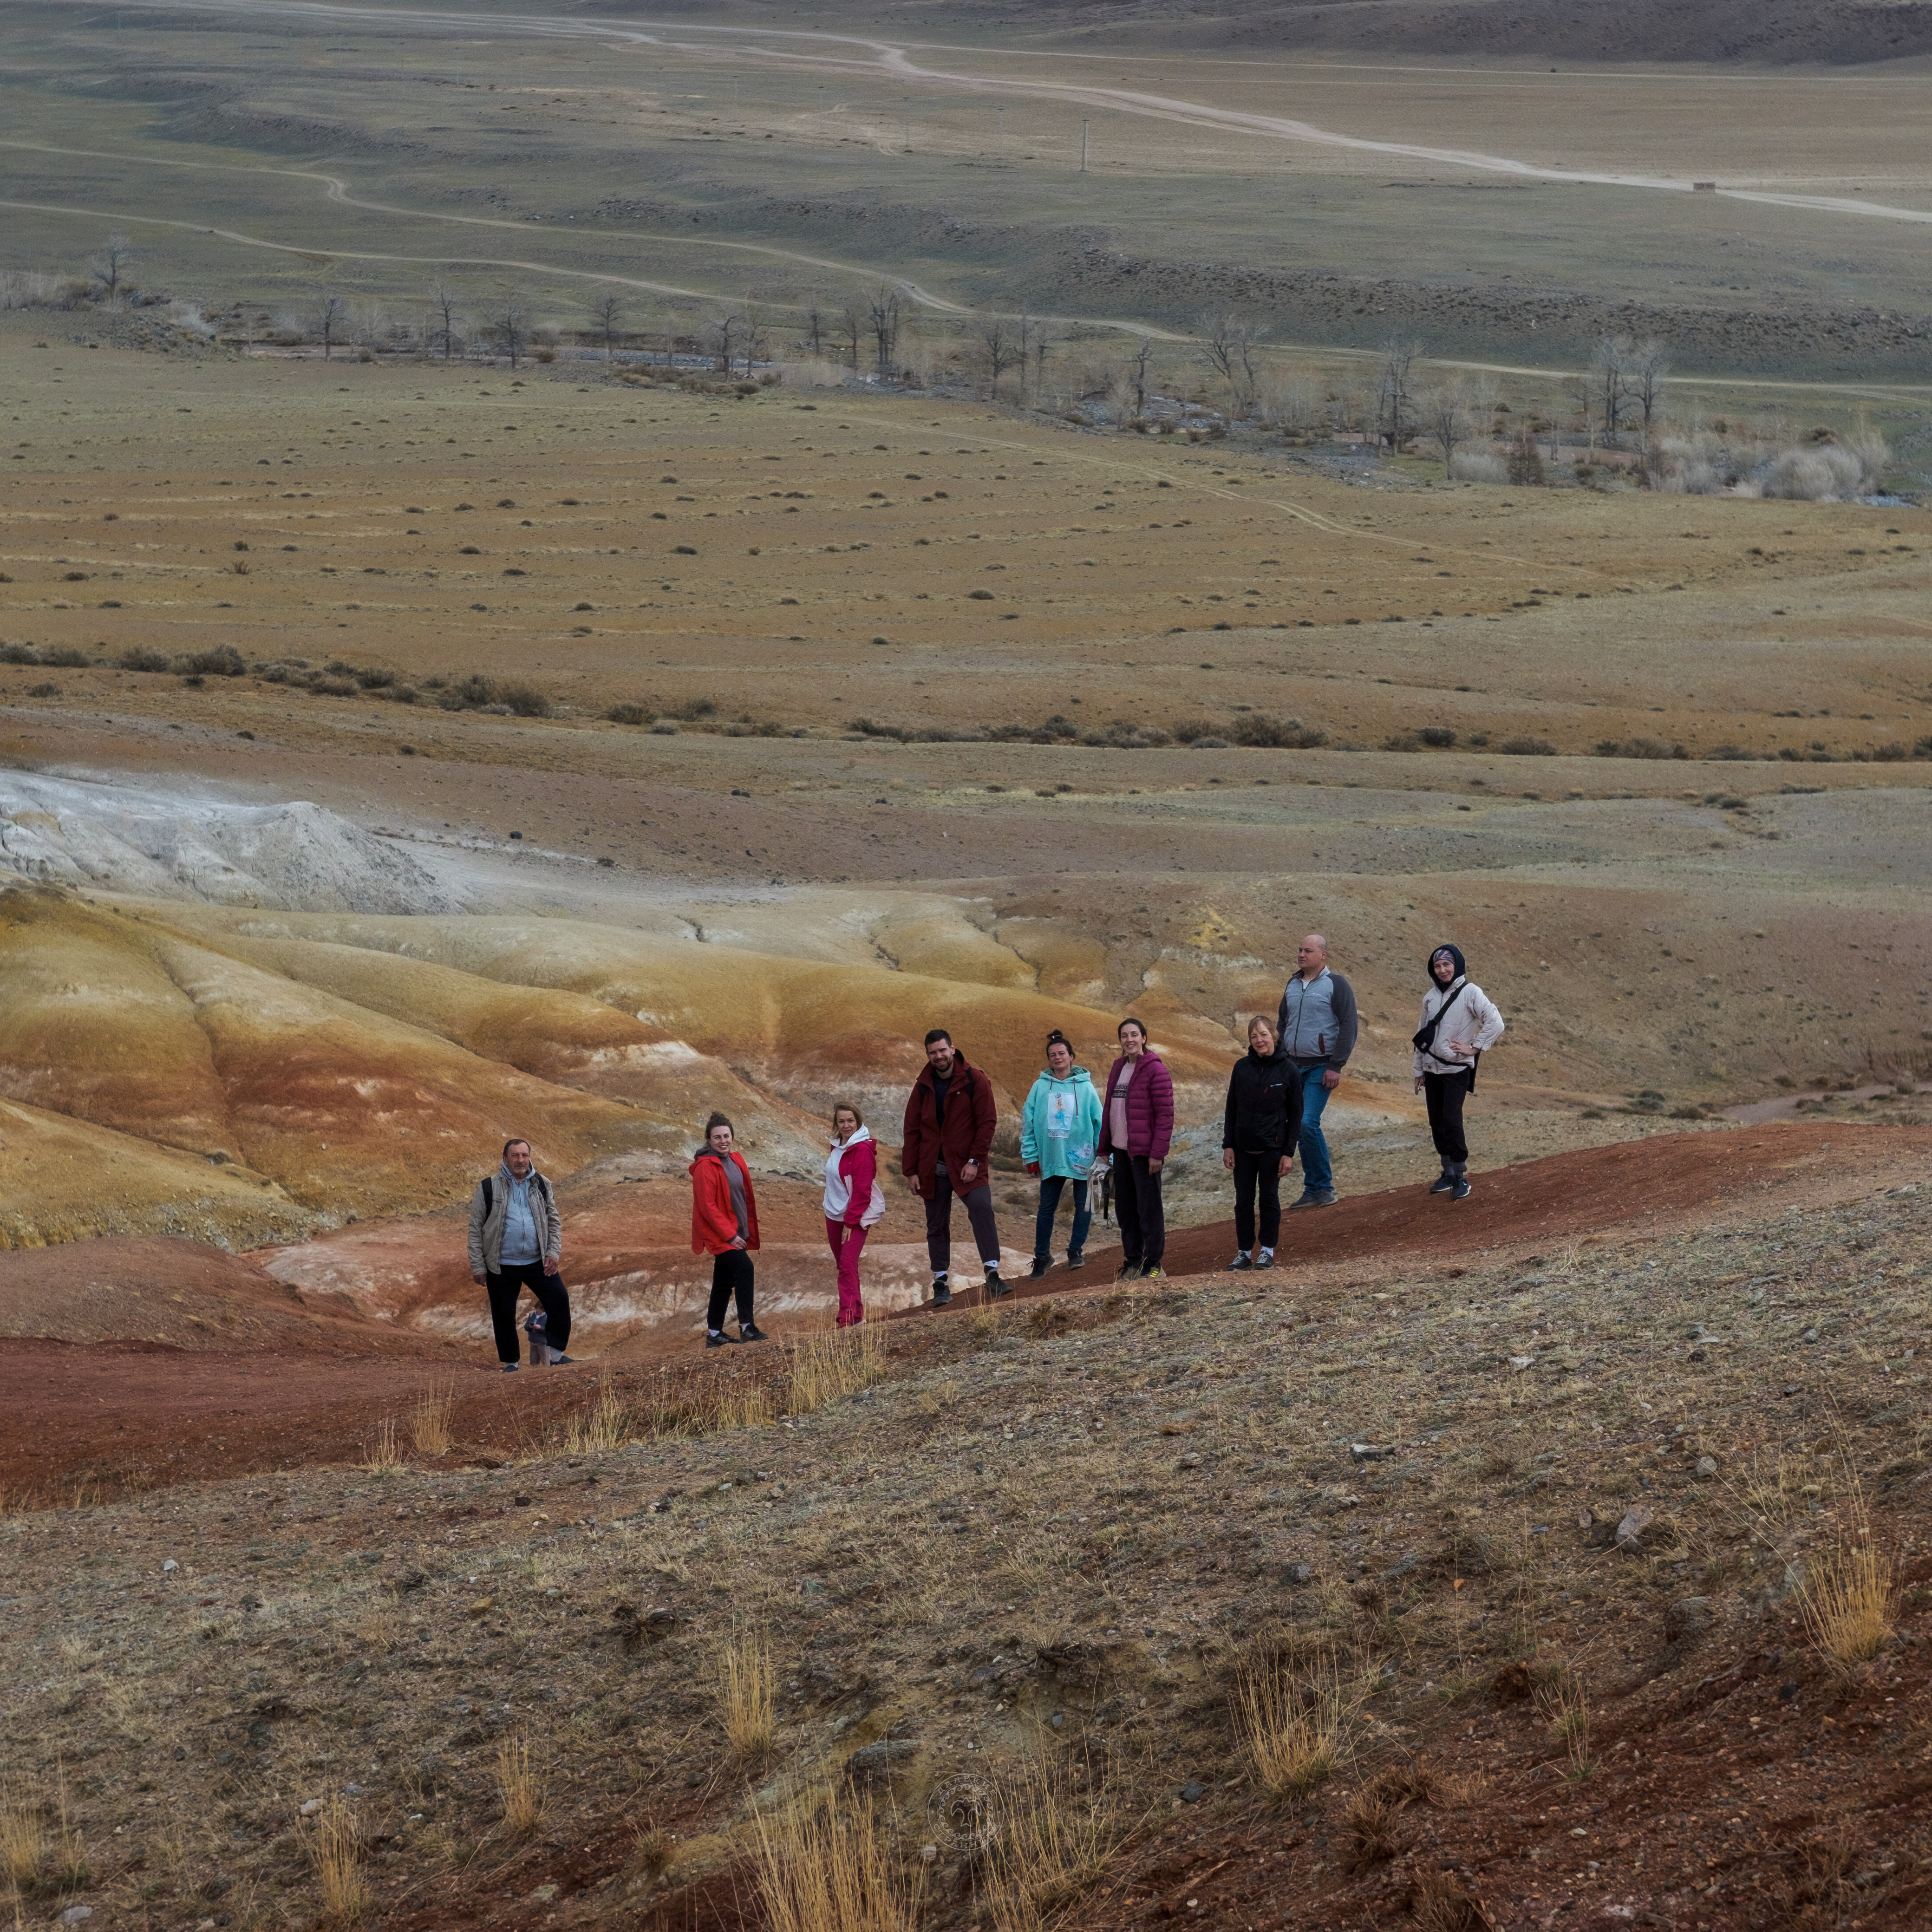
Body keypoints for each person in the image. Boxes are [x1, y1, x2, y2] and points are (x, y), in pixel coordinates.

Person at [902, 1029, 1005, 1306]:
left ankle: (993, 1274)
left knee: (982, 1209)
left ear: (952, 1049)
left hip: (967, 1166)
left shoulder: (975, 1080)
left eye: (942, 1051)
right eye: (933, 1053)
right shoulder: (923, 1086)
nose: (939, 1057)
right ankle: (941, 1283)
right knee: (937, 1225)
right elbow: (912, 1130)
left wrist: (975, 1161)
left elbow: (987, 1123)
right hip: (932, 1168)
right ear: (928, 1055)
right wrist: (910, 1171)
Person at [468, 1137, 572, 1372]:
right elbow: (476, 1229)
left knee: (559, 1298)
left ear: (529, 1158)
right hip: (501, 1264)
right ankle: (512, 1363)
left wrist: (553, 1253)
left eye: (524, 1156)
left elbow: (553, 1222)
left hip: (538, 1261)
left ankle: (556, 1355)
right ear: (505, 1159)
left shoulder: (542, 1184)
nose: (520, 1161)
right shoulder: (488, 1187)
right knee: (504, 1313)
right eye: (515, 1156)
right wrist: (478, 1266)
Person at [1412, 944, 1506, 1202]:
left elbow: (1496, 1022)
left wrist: (1474, 1048)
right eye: (1437, 966)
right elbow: (1422, 1036)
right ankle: (1447, 1172)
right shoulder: (1430, 997)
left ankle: (1460, 1175)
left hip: (1456, 1069)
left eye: (1447, 965)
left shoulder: (1470, 992)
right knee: (1437, 1121)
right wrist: (1418, 1070)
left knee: (1452, 1120)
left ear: (1458, 965)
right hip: (1432, 1069)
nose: (1442, 970)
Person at [1277, 933, 1358, 1210]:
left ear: (1323, 955)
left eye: (1308, 951)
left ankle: (1323, 1188)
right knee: (1296, 1126)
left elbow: (1349, 1025)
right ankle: (1313, 1189)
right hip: (1292, 1066)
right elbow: (1283, 1023)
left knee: (1306, 1123)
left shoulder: (1336, 985)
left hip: (1321, 1066)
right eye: (1300, 950)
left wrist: (1336, 1066)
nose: (1302, 954)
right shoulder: (1292, 983)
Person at [1097, 1017, 1174, 1282]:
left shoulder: (1155, 1070)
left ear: (1143, 1037)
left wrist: (1157, 1154)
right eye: (1124, 1036)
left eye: (1134, 1035)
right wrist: (1103, 1149)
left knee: (1149, 1209)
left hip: (1144, 1154)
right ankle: (1133, 1261)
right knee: (1126, 1209)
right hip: (1120, 1151)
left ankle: (1154, 1263)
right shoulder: (1118, 1067)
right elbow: (1110, 1109)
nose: (1129, 1040)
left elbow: (1165, 1116)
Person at [1020, 1028, 1102, 1278]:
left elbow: (1099, 1122)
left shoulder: (1087, 1089)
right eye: (1053, 1054)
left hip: (1082, 1157)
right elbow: (1028, 1122)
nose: (1057, 1058)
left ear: (1071, 1057)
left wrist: (1102, 1156)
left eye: (1062, 1053)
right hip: (1052, 1157)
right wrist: (1030, 1157)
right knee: (1047, 1208)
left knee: (1083, 1206)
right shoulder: (1039, 1087)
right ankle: (1042, 1257)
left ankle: (1075, 1251)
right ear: (1049, 1059)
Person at [1221, 1016, 1300, 1270]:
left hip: (1273, 1148)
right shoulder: (1241, 1067)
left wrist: (1288, 1153)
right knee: (1243, 1202)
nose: (1259, 1040)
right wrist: (1228, 1146)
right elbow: (1231, 1108)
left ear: (1274, 1037)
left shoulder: (1288, 1069)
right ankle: (1243, 1252)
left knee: (1269, 1200)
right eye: (1254, 1036)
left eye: (1264, 1034)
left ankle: (1267, 1251)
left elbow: (1296, 1115)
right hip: (1243, 1148)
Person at [690, 1113, 769, 1346]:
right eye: (717, 1137)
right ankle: (748, 1328)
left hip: (736, 1231)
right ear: (709, 1139)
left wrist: (742, 1230)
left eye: (726, 1136)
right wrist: (730, 1235)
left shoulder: (735, 1159)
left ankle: (715, 1334)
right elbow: (707, 1206)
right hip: (721, 1234)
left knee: (723, 1282)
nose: (723, 1141)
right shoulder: (706, 1166)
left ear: (732, 1136)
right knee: (745, 1269)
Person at [823, 1101, 886, 1326]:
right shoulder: (837, 1145)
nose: (846, 1125)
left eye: (850, 1121)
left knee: (847, 1265)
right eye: (842, 1121)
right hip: (833, 1214)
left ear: (858, 1122)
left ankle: (845, 1320)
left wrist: (851, 1222)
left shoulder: (862, 1150)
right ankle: (857, 1318)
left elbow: (862, 1191)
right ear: (836, 1124)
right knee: (845, 1266)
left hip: (855, 1219)